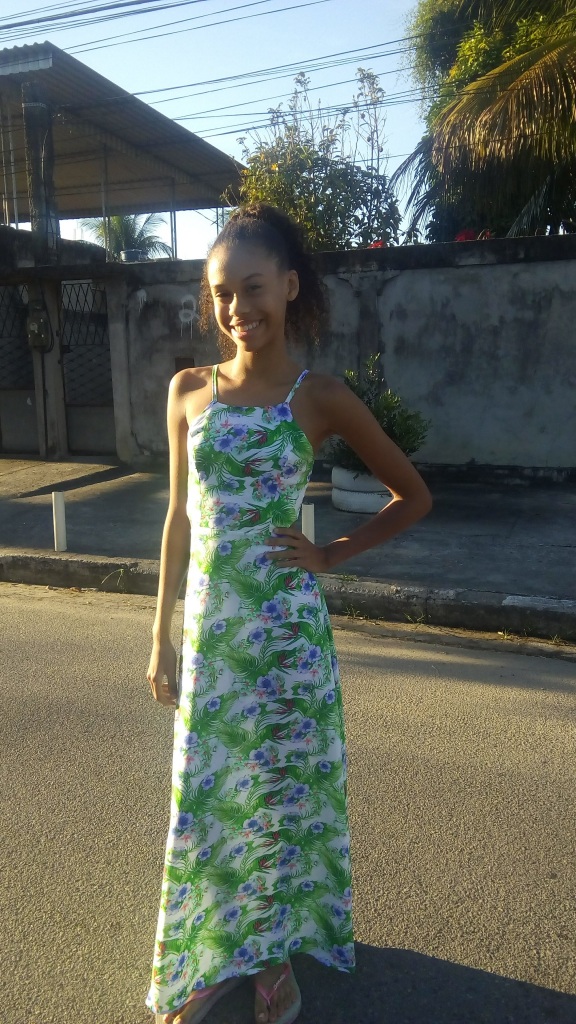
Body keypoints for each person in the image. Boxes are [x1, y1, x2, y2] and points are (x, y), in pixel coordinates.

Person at [145, 203, 432, 1024]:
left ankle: (271, 959)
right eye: (222, 293)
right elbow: (178, 520)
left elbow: (412, 496)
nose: (238, 308)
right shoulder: (188, 391)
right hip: (210, 637)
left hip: (286, 640)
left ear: (290, 287)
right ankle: (209, 954)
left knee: (275, 798)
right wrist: (160, 635)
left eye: (254, 287)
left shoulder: (321, 397)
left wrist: (330, 555)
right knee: (207, 797)